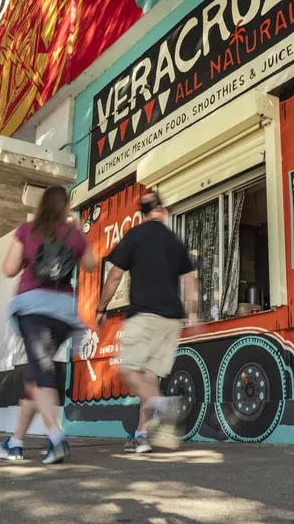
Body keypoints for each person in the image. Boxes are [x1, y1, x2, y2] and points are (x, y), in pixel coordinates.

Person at [0, 185, 96, 464]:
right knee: (35, 378)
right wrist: (78, 232)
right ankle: (14, 443)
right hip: (63, 314)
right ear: (65, 207)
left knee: (41, 372)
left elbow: (8, 269)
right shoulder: (73, 234)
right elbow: (90, 265)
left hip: (32, 309)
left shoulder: (27, 231)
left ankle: (56, 437)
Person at [96, 191, 198, 453]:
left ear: (142, 213)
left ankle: (162, 406)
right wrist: (194, 314)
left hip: (144, 317)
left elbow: (114, 276)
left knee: (127, 371)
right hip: (171, 321)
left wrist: (101, 308)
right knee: (149, 377)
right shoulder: (175, 241)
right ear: (161, 210)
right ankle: (142, 435)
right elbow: (190, 280)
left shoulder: (134, 236)